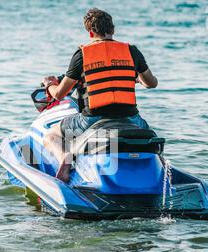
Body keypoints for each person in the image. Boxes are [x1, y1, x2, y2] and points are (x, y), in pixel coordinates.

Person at [42, 8, 158, 182]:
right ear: (112, 29)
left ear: (90, 32)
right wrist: (136, 78)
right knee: (148, 131)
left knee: (51, 135)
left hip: (93, 120)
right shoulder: (132, 51)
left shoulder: (82, 55)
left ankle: (65, 159)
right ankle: (158, 167)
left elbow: (59, 94)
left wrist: (49, 84)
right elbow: (152, 83)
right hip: (130, 118)